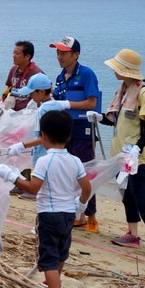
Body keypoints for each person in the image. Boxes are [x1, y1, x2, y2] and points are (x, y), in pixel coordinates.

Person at [0, 110, 90, 288]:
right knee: (61, 252)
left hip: (49, 215)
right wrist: (81, 205)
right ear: (68, 136)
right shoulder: (75, 160)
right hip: (68, 215)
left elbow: (32, 188)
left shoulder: (44, 161)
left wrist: (12, 176)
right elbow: (87, 187)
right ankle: (53, 282)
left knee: (48, 258)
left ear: (44, 136)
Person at [89, 48, 145, 260]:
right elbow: (116, 120)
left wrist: (137, 148)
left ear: (127, 71)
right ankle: (133, 235)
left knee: (142, 198)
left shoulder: (143, 94)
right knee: (127, 197)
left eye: (117, 68)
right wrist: (98, 118)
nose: (114, 71)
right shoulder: (123, 90)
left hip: (136, 159)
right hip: (120, 157)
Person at [49, 36, 102, 232]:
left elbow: (92, 102)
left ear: (75, 54)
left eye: (63, 53)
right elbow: (57, 101)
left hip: (83, 130)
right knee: (68, 173)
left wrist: (68, 104)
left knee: (86, 172)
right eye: (57, 52)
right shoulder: (60, 77)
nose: (59, 57)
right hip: (64, 131)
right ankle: (74, 213)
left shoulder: (86, 74)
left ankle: (91, 215)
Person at [5, 73, 71, 200]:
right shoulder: (56, 105)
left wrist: (21, 145)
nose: (30, 96)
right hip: (56, 154)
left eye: (32, 93)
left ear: (41, 92)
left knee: (39, 181)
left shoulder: (43, 110)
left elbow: (44, 138)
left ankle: (34, 193)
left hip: (42, 155)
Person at [4, 41, 43, 111]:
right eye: (13, 52)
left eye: (17, 53)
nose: (14, 55)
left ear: (27, 56)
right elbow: (9, 88)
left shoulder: (36, 73)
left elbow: (48, 93)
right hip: (12, 112)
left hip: (29, 115)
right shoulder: (14, 70)